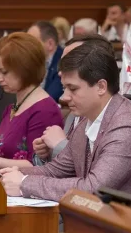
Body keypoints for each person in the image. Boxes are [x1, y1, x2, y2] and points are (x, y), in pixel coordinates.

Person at [0, 44, 131, 219]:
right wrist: (10, 174)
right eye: (64, 88)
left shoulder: (127, 128)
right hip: (105, 223)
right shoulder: (86, 119)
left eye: (73, 89)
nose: (64, 97)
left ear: (101, 87)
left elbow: (93, 189)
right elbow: (56, 170)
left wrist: (25, 183)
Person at [0, 33, 63, 169]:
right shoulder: (12, 106)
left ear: (24, 69)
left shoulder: (45, 110)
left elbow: (37, 166)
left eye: (4, 72)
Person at [33, 34, 114, 166]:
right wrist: (46, 155)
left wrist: (59, 145)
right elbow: (60, 168)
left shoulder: (118, 118)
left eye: (71, 63)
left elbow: (94, 173)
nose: (61, 71)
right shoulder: (76, 109)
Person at [27, 21, 64, 102]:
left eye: (32, 42)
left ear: (50, 44)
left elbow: (49, 98)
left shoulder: (64, 63)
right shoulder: (31, 61)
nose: (27, 47)